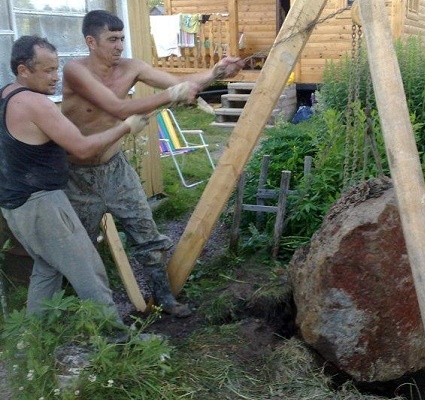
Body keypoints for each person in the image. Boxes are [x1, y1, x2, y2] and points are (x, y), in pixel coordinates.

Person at [61, 10, 245, 318]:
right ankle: (77, 312)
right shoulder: (74, 70)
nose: (119, 47)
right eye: (112, 40)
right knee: (77, 246)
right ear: (91, 41)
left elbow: (177, 83)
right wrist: (170, 96)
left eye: (122, 39)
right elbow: (117, 107)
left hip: (114, 167)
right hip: (75, 175)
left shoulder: (132, 67)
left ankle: (164, 298)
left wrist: (215, 72)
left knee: (146, 231)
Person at [0, 35, 149, 319]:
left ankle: (36, 337)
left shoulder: (5, 95)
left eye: (57, 68)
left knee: (47, 267)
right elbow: (81, 148)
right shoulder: (35, 103)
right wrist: (126, 126)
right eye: (47, 70)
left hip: (14, 203)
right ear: (23, 70)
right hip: (42, 204)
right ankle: (116, 339)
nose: (56, 77)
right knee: (88, 270)